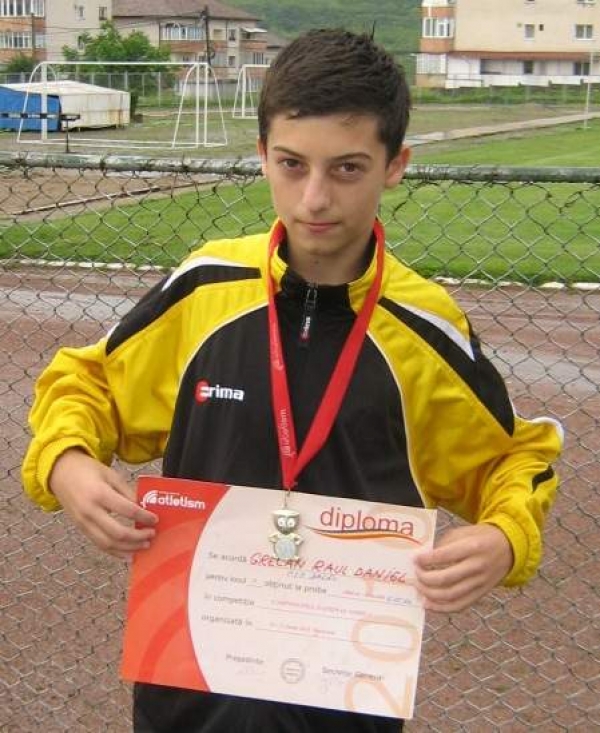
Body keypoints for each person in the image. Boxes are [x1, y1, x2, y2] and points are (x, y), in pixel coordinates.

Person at [22, 28, 562, 733]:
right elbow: (85, 381)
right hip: (186, 695)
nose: (314, 198)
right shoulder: (206, 288)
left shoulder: (425, 327)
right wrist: (65, 462)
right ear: (262, 155)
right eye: (291, 164)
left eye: (347, 169)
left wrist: (505, 537)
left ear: (395, 165)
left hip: (344, 703)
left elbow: (515, 456)